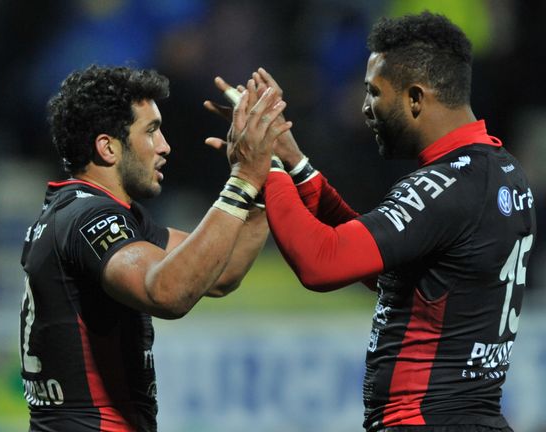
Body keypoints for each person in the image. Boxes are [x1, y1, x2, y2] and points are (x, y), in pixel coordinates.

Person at [211, 11, 537, 432]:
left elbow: (322, 262)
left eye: (373, 93)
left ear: (416, 98)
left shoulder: (445, 185)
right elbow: (377, 261)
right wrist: (291, 161)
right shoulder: (499, 171)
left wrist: (264, 165)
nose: (366, 108)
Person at [17, 65, 288, 431]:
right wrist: (241, 181)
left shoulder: (97, 214)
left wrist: (264, 172)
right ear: (108, 147)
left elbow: (220, 273)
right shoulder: (89, 218)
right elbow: (167, 291)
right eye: (151, 131)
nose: (165, 147)